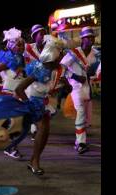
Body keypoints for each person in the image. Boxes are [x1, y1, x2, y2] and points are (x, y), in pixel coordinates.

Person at [16, 35, 70, 175]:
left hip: (43, 102)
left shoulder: (55, 70)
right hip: (33, 101)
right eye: (58, 56)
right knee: (42, 130)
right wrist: (28, 105)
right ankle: (34, 162)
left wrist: (64, 84)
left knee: (45, 133)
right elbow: (19, 89)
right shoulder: (40, 69)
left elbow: (53, 88)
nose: (60, 58)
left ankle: (34, 160)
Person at [60, 26, 101, 154]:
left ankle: (79, 142)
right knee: (81, 113)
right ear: (83, 39)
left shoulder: (96, 54)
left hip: (89, 88)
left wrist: (95, 74)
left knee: (86, 118)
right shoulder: (73, 53)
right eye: (88, 37)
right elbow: (61, 68)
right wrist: (74, 76)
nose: (91, 39)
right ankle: (81, 143)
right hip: (76, 88)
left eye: (92, 37)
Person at [0, 27, 26, 159]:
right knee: (13, 122)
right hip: (9, 93)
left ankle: (6, 144)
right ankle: (10, 147)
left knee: (13, 122)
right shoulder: (11, 58)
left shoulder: (19, 57)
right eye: (19, 44)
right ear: (11, 45)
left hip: (17, 93)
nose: (21, 46)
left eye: (22, 44)